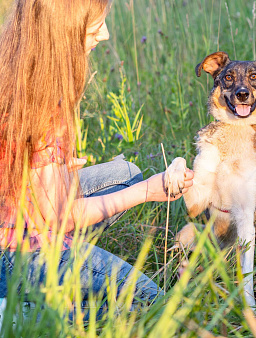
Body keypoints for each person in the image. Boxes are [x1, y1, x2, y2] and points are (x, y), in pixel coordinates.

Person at [0, 0, 193, 320]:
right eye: (95, 26)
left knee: (125, 173)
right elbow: (58, 216)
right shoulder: (48, 99)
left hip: (13, 211)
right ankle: (17, 313)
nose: (104, 34)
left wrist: (50, 168)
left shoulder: (13, 63)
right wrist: (148, 191)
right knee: (155, 306)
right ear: (64, 30)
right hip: (17, 249)